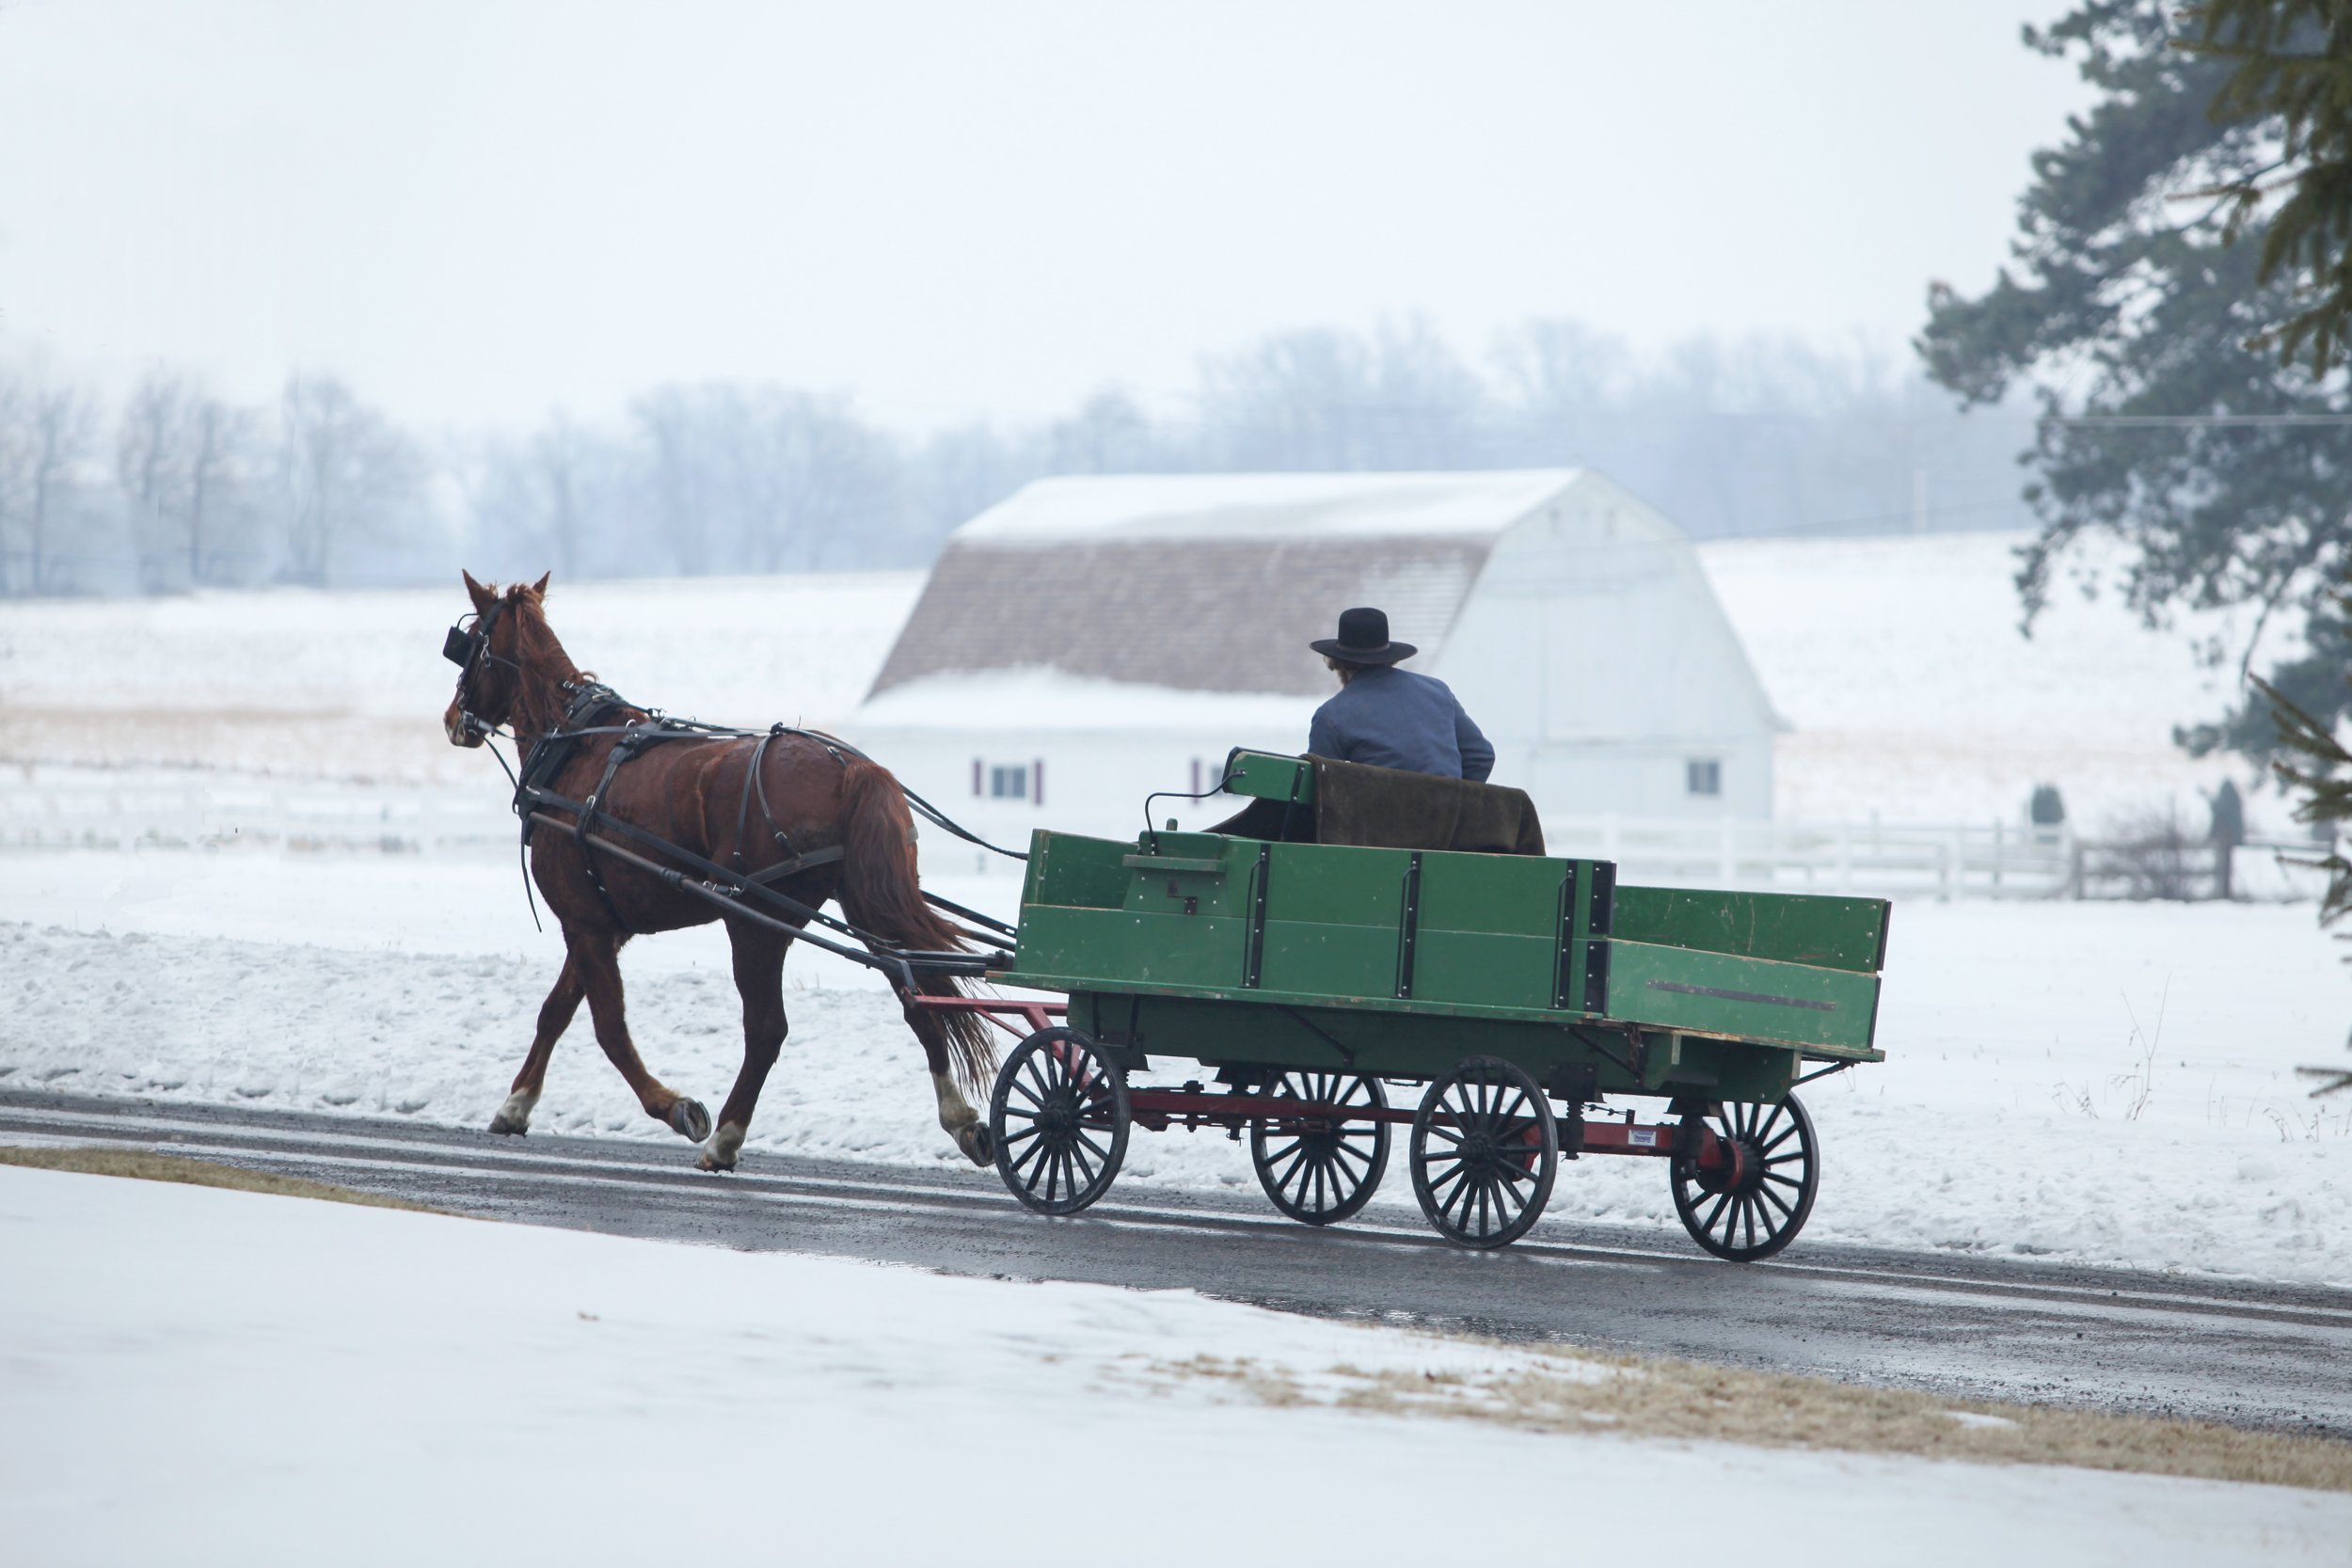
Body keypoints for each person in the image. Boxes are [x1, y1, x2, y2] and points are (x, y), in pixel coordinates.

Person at [1305, 607, 1494, 782]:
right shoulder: (1437, 691)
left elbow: (1320, 787)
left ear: (1339, 663)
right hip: (1450, 816)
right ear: (1389, 656)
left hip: (1381, 818)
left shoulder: (1331, 716)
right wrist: (1455, 803)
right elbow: (1481, 757)